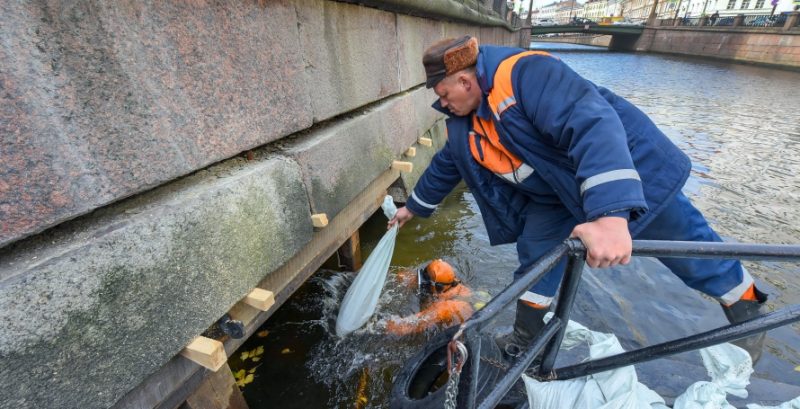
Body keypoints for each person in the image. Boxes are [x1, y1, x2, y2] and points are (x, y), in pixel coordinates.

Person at [387, 36, 768, 363]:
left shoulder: (526, 74)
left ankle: (746, 306)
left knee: (681, 239)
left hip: (629, 169)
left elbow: (592, 126)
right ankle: (526, 338)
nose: (442, 104)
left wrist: (611, 216)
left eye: (443, 94)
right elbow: (446, 165)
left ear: (466, 81)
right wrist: (413, 208)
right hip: (554, 192)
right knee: (536, 255)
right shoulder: (465, 120)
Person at [385, 259, 475, 336]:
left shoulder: (446, 307)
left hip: (456, 337)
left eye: (426, 284)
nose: (423, 283)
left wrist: (381, 325)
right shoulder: (449, 282)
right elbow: (402, 276)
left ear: (438, 288)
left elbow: (407, 326)